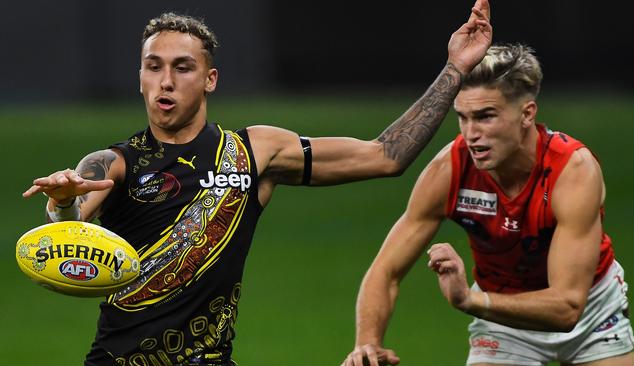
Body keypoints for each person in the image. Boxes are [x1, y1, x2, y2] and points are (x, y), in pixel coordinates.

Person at [21, 2, 492, 365]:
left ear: (210, 79)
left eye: (182, 68)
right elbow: (65, 242)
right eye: (153, 66)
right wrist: (62, 203)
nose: (165, 81)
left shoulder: (255, 153)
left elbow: (385, 156)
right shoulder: (112, 163)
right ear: (140, 76)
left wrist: (455, 69)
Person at [342, 43, 634, 366]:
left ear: (527, 114)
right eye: (463, 118)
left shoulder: (572, 171)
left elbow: (567, 307)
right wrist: (367, 345)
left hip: (591, 316)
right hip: (504, 320)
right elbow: (385, 270)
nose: (471, 134)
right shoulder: (451, 169)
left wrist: (470, 300)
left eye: (485, 117)